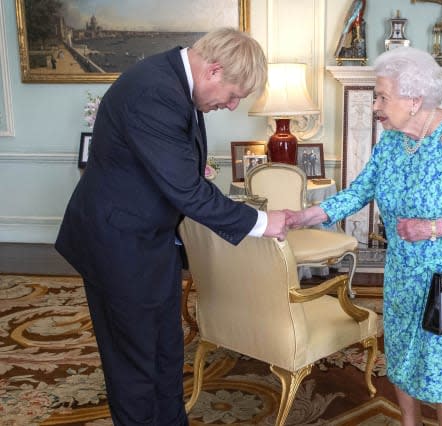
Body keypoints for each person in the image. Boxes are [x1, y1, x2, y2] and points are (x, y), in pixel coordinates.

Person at [55, 28, 287, 426]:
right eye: (233, 95)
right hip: (117, 245)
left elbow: (180, 175)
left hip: (150, 239)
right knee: (134, 366)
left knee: (165, 352)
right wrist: (262, 222)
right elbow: (186, 189)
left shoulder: (175, 82)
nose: (231, 106)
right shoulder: (154, 92)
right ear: (213, 70)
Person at [285, 47, 442, 426]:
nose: (376, 105)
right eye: (377, 96)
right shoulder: (392, 141)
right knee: (404, 353)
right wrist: (307, 214)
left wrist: (432, 228)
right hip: (404, 273)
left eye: (383, 97)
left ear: (415, 99)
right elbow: (360, 191)